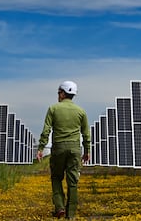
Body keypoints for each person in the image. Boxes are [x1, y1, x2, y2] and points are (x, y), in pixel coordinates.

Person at [37, 80, 90, 219]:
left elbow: (46, 130)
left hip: (58, 148)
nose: (58, 95)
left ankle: (59, 207)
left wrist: (41, 147)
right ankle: (70, 214)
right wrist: (87, 151)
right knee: (73, 182)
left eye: (59, 92)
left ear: (62, 93)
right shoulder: (81, 111)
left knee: (56, 177)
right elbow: (86, 134)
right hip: (74, 149)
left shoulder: (53, 109)